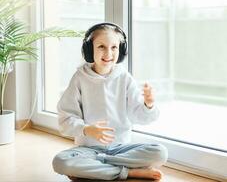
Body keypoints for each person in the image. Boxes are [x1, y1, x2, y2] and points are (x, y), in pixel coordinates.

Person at [52, 22, 168, 181]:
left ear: (121, 51)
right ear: (89, 49)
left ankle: (95, 168)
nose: (108, 53)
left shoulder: (124, 78)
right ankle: (127, 172)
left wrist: (149, 104)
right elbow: (65, 120)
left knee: (160, 153)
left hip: (121, 149)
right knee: (60, 162)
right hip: (88, 148)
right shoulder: (79, 78)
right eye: (101, 46)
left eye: (114, 47)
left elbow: (138, 117)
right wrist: (86, 129)